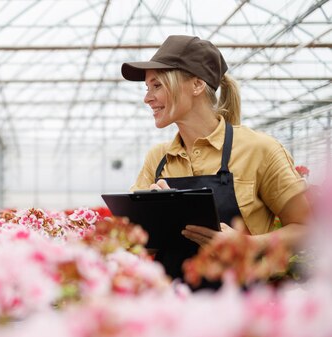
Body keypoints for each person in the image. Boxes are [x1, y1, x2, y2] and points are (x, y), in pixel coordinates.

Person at [120, 35, 311, 285]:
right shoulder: (158, 158)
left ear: (197, 85)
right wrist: (152, 217)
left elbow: (308, 229)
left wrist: (248, 244)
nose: (147, 98)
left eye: (157, 86)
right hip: (170, 311)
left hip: (241, 311)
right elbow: (137, 245)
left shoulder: (259, 149)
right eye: (147, 88)